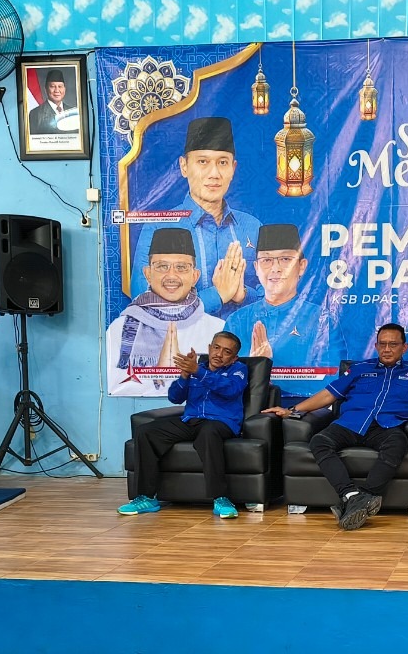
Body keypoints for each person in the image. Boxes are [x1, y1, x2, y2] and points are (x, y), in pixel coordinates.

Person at [262, 323, 408, 531]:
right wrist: (292, 410)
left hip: (386, 426)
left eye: (393, 344)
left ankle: (363, 496)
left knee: (398, 442)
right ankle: (352, 495)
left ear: (404, 347)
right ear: (376, 346)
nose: (387, 349)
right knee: (319, 441)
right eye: (382, 344)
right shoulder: (359, 369)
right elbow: (328, 395)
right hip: (351, 423)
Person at [130, 116, 263, 319]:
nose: (214, 173)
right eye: (203, 162)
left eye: (223, 162)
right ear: (184, 166)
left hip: (243, 339)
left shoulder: (252, 227)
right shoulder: (159, 227)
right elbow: (144, 302)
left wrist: (242, 294)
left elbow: (276, 299)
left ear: (233, 169)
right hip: (181, 340)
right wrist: (217, 295)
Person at [119, 331, 248, 518]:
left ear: (234, 357)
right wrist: (185, 376)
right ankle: (146, 497)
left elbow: (230, 389)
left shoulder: (239, 370)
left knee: (209, 432)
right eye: (216, 348)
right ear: (210, 348)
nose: (219, 354)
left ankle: (220, 498)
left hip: (221, 422)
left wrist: (198, 372)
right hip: (191, 421)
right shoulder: (196, 369)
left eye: (227, 352)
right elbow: (175, 397)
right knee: (146, 432)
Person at [224, 223, 347, 396]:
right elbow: (222, 378)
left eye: (285, 259)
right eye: (267, 260)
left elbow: (333, 380)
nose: (275, 268)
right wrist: (256, 366)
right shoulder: (237, 321)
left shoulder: (321, 320)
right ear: (256, 268)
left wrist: (266, 373)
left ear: (302, 266)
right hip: (246, 407)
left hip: (302, 408)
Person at [107, 228, 223, 396]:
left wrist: (184, 374)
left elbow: (225, 385)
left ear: (195, 276)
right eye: (162, 267)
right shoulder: (121, 328)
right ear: (148, 274)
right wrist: (161, 374)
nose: (171, 276)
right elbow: (115, 385)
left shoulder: (217, 329)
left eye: (181, 267)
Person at [28, 69, 74, 135]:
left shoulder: (72, 111)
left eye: (60, 86)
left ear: (64, 89)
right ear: (46, 89)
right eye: (52, 86)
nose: (57, 90)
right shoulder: (35, 114)